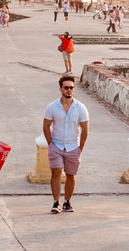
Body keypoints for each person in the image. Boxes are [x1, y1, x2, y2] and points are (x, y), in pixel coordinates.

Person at [43, 75, 89, 213]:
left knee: (70, 175)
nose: (69, 90)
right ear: (60, 89)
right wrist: (51, 144)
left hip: (73, 146)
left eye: (71, 88)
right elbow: (46, 126)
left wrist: (80, 148)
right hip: (56, 145)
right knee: (56, 172)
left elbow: (85, 129)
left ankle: (67, 202)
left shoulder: (80, 108)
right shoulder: (52, 107)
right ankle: (56, 202)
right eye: (66, 88)